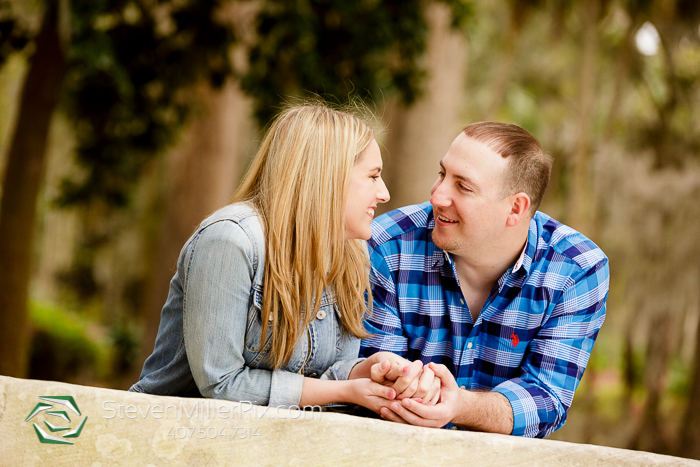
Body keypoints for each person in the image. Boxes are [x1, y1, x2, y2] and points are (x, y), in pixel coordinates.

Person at [130, 103, 437, 411]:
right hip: (172, 437)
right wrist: (347, 391)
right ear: (328, 177)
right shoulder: (230, 241)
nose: (384, 193)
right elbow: (220, 384)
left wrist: (367, 371)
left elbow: (325, 376)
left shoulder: (350, 252)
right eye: (373, 176)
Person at [360, 122, 610, 437]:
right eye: (442, 174)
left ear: (515, 208)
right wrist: (400, 382)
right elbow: (372, 379)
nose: (437, 196)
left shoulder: (576, 270)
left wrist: (459, 405)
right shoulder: (385, 246)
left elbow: (548, 398)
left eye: (463, 186)